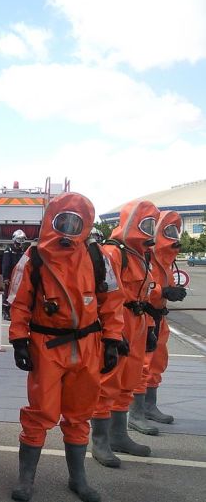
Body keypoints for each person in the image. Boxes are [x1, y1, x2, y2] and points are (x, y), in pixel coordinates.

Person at [7, 192, 124, 502]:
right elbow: (19, 302)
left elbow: (112, 302)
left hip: (87, 346)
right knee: (40, 412)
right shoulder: (34, 258)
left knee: (79, 413)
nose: (69, 229)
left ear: (85, 225)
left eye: (76, 223)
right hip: (46, 346)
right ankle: (26, 480)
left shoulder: (97, 257)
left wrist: (112, 340)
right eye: (64, 221)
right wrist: (19, 340)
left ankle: (78, 479)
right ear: (51, 221)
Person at [91, 200, 161, 466]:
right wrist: (113, 332)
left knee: (129, 379)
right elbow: (106, 297)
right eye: (145, 224)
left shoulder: (139, 255)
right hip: (119, 322)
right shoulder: (113, 253)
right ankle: (100, 441)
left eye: (152, 225)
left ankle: (119, 435)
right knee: (108, 380)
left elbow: (144, 294)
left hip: (138, 321)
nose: (149, 231)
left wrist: (150, 328)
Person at [140, 211, 186, 424]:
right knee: (143, 363)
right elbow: (138, 285)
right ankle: (136, 410)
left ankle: (148, 406)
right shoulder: (146, 256)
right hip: (144, 317)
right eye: (168, 231)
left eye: (175, 231)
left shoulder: (165, 261)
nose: (173, 237)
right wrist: (163, 291)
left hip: (158, 317)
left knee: (157, 361)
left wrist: (171, 291)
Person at [2, 229, 27, 320]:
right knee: (8, 294)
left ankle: (15, 312)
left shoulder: (23, 250)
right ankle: (6, 312)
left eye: (22, 240)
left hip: (20, 276)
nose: (20, 243)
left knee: (18, 295)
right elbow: (6, 264)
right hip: (10, 276)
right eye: (19, 240)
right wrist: (6, 277)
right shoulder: (9, 249)